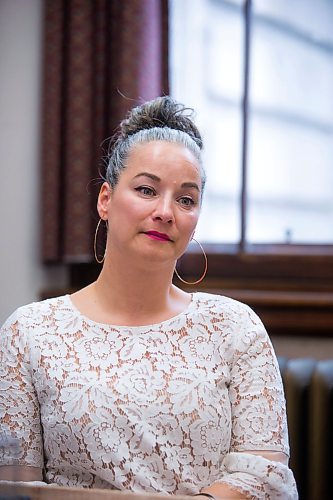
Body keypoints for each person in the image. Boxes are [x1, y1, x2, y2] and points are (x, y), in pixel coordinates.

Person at [0, 96, 298, 499]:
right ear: (105, 199)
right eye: (146, 189)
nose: (165, 211)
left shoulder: (235, 327)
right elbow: (16, 486)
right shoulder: (29, 332)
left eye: (186, 199)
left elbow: (265, 477)